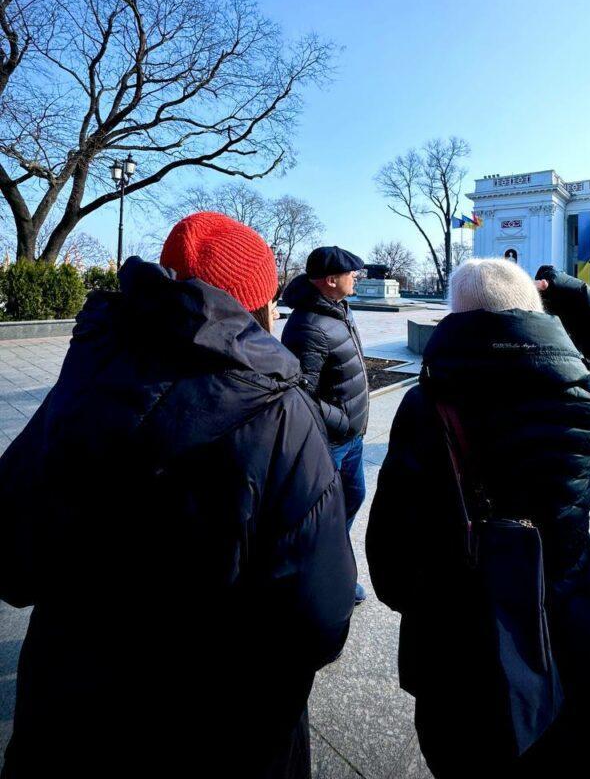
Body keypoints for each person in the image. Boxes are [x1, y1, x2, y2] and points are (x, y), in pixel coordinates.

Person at [0, 212, 356, 779]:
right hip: (218, 728)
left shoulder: (88, 375)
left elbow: (12, 555)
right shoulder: (283, 415)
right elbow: (319, 618)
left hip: (69, 716)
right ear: (258, 306)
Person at [366, 257, 590, 778]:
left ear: (457, 317)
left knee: (469, 753)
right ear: (533, 308)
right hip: (569, 607)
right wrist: (576, 294)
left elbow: (390, 547)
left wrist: (415, 599)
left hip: (460, 621)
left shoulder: (425, 404)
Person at [281, 246, 369, 604]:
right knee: (322, 519)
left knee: (352, 499)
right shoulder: (309, 325)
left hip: (351, 438)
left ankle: (332, 567)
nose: (357, 278)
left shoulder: (338, 309)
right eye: (352, 273)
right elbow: (301, 395)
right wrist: (343, 418)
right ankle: (320, 582)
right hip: (331, 442)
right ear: (331, 281)